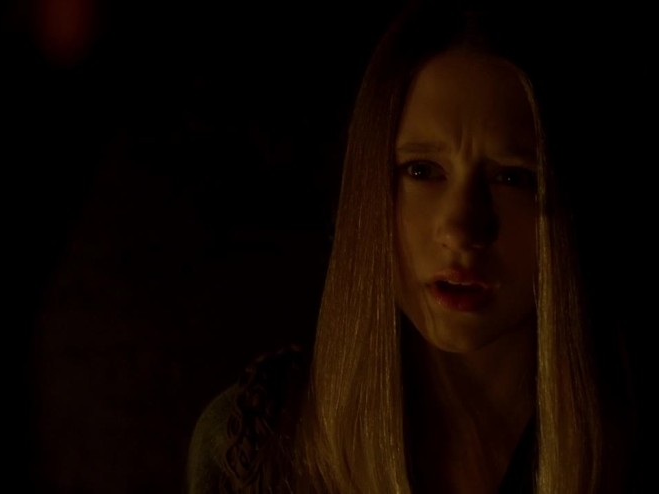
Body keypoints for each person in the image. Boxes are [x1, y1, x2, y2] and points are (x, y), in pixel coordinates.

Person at [186, 1, 638, 492]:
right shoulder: (258, 449)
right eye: (422, 171)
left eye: (512, 177)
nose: (461, 229)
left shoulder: (628, 443)